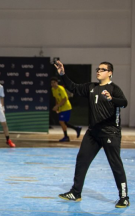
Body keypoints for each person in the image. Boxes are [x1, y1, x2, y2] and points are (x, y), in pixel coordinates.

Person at [55, 60, 130, 208]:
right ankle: (76, 192)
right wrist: (63, 74)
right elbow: (73, 87)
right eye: (98, 69)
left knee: (115, 164)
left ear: (110, 73)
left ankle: (124, 197)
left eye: (102, 69)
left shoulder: (114, 89)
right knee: (82, 159)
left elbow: (123, 103)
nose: (98, 71)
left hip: (110, 133)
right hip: (93, 133)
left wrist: (111, 99)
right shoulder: (91, 87)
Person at [51, 77, 82, 142]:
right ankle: (77, 128)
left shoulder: (61, 89)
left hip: (66, 107)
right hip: (61, 108)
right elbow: (56, 98)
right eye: (51, 83)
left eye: (54, 82)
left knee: (61, 122)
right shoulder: (53, 89)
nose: (53, 84)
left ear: (57, 82)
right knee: (64, 122)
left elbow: (64, 99)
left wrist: (57, 106)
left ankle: (66, 136)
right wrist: (57, 107)